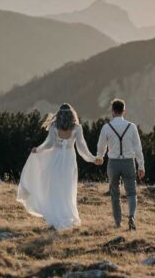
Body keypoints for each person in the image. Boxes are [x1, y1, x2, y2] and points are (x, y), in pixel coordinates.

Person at [17, 103, 96, 230]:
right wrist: (93, 158)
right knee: (68, 188)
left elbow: (49, 144)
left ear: (59, 114)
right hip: (69, 161)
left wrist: (38, 150)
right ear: (72, 114)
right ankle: (67, 215)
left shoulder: (54, 126)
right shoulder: (77, 128)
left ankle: (55, 215)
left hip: (56, 159)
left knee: (55, 187)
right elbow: (82, 148)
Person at [94, 98, 145, 230]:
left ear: (112, 111)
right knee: (132, 193)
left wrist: (100, 157)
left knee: (114, 194)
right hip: (128, 162)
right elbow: (138, 148)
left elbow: (101, 146)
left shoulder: (106, 127)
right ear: (124, 111)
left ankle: (118, 222)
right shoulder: (131, 127)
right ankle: (131, 217)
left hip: (113, 163)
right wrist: (141, 166)